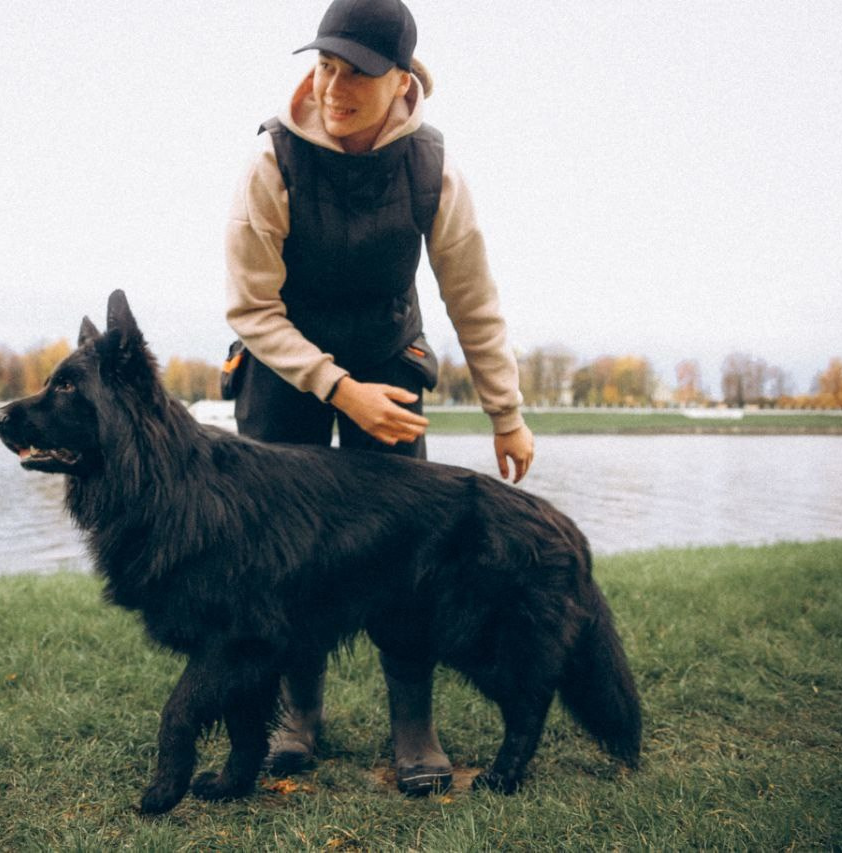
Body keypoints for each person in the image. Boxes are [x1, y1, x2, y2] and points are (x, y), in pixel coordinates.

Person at [224, 0, 534, 796]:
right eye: (324, 64)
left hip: (388, 355)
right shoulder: (274, 164)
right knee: (285, 546)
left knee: (404, 548)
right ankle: (297, 714)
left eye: (356, 71)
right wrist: (334, 385)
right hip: (283, 360)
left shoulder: (432, 171)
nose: (333, 85)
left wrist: (508, 412)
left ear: (402, 80)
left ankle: (413, 725)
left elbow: (473, 298)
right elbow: (252, 308)